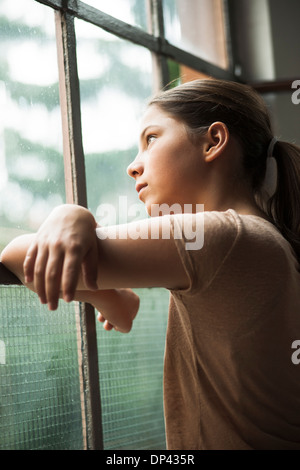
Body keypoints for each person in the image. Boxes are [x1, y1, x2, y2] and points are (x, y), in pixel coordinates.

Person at [1, 78, 300, 450]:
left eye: (151, 139)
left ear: (213, 141)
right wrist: (105, 293)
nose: (132, 166)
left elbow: (16, 254)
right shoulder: (257, 240)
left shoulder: (224, 237)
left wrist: (70, 213)